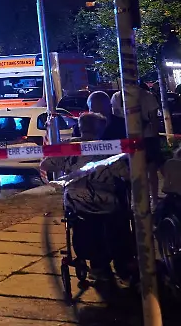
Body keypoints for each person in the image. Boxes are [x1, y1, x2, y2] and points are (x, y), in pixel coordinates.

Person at [41, 111, 133, 283]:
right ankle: (122, 263)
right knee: (119, 218)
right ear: (100, 129)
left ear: (80, 128)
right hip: (104, 201)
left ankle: (96, 264)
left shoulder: (69, 147)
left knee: (83, 223)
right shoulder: (106, 149)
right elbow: (125, 174)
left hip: (76, 202)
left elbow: (46, 165)